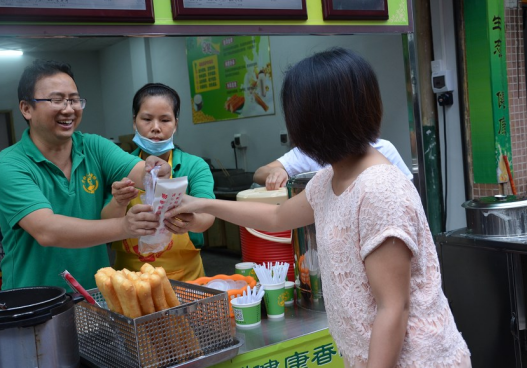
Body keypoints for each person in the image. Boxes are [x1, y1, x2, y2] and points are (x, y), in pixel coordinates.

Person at [166, 48, 471, 367]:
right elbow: (275, 216)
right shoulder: (330, 178)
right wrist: (201, 204)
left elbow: (393, 309)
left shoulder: (379, 189)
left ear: (315, 123)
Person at [0, 60, 171, 291]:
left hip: (94, 298)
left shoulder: (93, 146)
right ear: (26, 108)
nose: (69, 109)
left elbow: (141, 172)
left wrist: (156, 170)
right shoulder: (10, 165)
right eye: (56, 100)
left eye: (74, 100)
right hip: (33, 304)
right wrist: (125, 226)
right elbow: (47, 230)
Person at [102, 83, 215, 281]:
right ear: (134, 122)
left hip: (188, 281)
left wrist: (192, 221)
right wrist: (118, 202)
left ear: (176, 124)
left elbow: (208, 214)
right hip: (131, 281)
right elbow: (105, 223)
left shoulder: (194, 166)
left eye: (165, 120)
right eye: (146, 119)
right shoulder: (118, 166)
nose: (156, 128)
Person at [254, 140, 413, 190]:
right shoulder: (310, 155)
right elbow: (277, 217)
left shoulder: (383, 149)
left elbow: (408, 196)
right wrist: (276, 172)